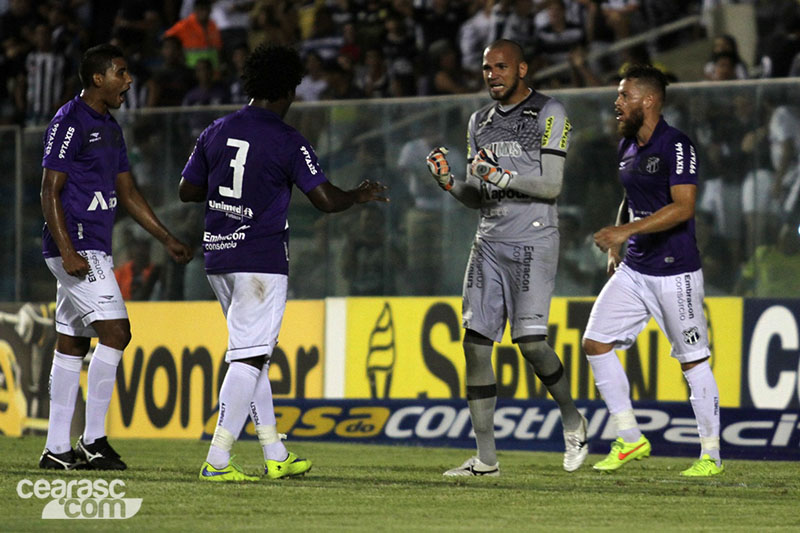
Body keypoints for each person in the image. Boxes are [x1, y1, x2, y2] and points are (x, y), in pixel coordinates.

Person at [179, 43, 388, 482]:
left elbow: (187, 190)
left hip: (218, 254)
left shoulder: (216, 130)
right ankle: (217, 460)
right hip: (260, 259)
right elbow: (326, 200)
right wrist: (360, 194)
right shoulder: (287, 138)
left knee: (254, 355)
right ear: (288, 89)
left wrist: (228, 189)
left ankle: (275, 452)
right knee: (249, 357)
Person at [425, 39, 588, 476]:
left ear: (522, 70)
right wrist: (449, 183)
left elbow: (551, 185)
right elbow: (478, 196)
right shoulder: (479, 121)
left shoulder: (550, 113)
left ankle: (572, 418)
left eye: (501, 67)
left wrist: (498, 173)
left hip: (534, 240)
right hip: (488, 242)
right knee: (475, 345)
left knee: (532, 344)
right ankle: (487, 460)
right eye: (486, 68)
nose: (492, 75)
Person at [39, 44, 193, 470]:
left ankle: (57, 449)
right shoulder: (69, 120)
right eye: (121, 73)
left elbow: (127, 192)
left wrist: (165, 237)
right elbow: (49, 190)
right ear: (97, 79)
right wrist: (67, 250)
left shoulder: (110, 127)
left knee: (72, 342)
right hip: (77, 245)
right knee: (118, 331)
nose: (128, 81)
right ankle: (94, 440)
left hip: (96, 244)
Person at [583, 65, 723, 477]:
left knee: (693, 361)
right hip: (635, 267)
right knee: (595, 343)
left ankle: (711, 455)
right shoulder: (627, 147)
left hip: (675, 273)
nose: (617, 103)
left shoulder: (676, 145)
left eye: (624, 96)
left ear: (648, 101)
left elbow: (683, 207)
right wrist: (619, 246)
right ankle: (629, 438)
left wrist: (622, 231)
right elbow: (632, 199)